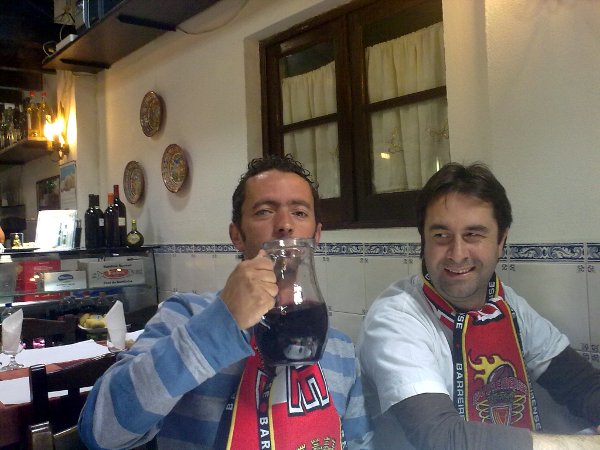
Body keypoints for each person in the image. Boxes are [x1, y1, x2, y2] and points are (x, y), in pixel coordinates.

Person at [78, 154, 373, 449]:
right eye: (264, 211)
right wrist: (220, 324)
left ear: (316, 235)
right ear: (237, 236)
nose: (285, 225)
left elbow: (360, 442)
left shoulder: (340, 349)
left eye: (299, 212)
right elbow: (102, 432)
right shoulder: (184, 317)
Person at [359, 162, 600, 449]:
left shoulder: (506, 305)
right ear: (423, 240)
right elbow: (442, 437)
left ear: (501, 241)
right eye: (441, 235)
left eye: (473, 234)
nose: (457, 254)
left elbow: (581, 384)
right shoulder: (396, 318)